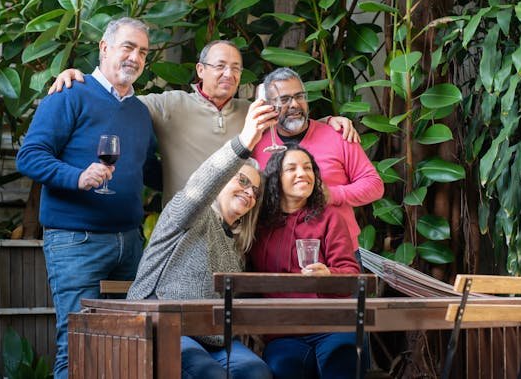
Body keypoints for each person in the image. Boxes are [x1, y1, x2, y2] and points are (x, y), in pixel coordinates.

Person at [16, 17, 161, 379]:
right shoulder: (69, 93)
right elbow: (30, 156)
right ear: (104, 48)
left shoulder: (140, 111)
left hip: (130, 243)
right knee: (78, 347)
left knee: (128, 347)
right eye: (128, 46)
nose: (135, 57)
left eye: (142, 51)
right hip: (76, 241)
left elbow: (148, 171)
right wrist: (77, 177)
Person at [49, 41, 360, 204]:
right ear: (200, 70)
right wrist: (82, 78)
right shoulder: (169, 104)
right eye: (220, 66)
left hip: (242, 224)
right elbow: (116, 103)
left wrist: (332, 120)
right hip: (185, 225)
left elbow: (295, 120)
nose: (229, 74)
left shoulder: (252, 111)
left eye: (236, 68)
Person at [127, 99, 275, 379]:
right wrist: (244, 141)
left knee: (257, 372)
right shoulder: (187, 212)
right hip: (163, 327)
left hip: (215, 341)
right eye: (241, 181)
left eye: (255, 190)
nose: (249, 192)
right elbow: (203, 183)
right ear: (221, 183)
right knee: (208, 374)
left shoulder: (236, 244)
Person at [249, 145, 362, 379]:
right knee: (283, 367)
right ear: (275, 179)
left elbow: (351, 273)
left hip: (330, 324)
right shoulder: (259, 223)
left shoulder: (330, 217)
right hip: (283, 330)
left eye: (308, 168)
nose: (303, 173)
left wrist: (328, 274)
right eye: (291, 168)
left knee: (341, 357)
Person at [252, 67, 384, 251]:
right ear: (268, 105)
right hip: (276, 253)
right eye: (284, 99)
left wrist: (331, 194)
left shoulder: (338, 135)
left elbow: (374, 185)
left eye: (299, 96)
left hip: (337, 251)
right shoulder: (257, 142)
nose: (294, 104)